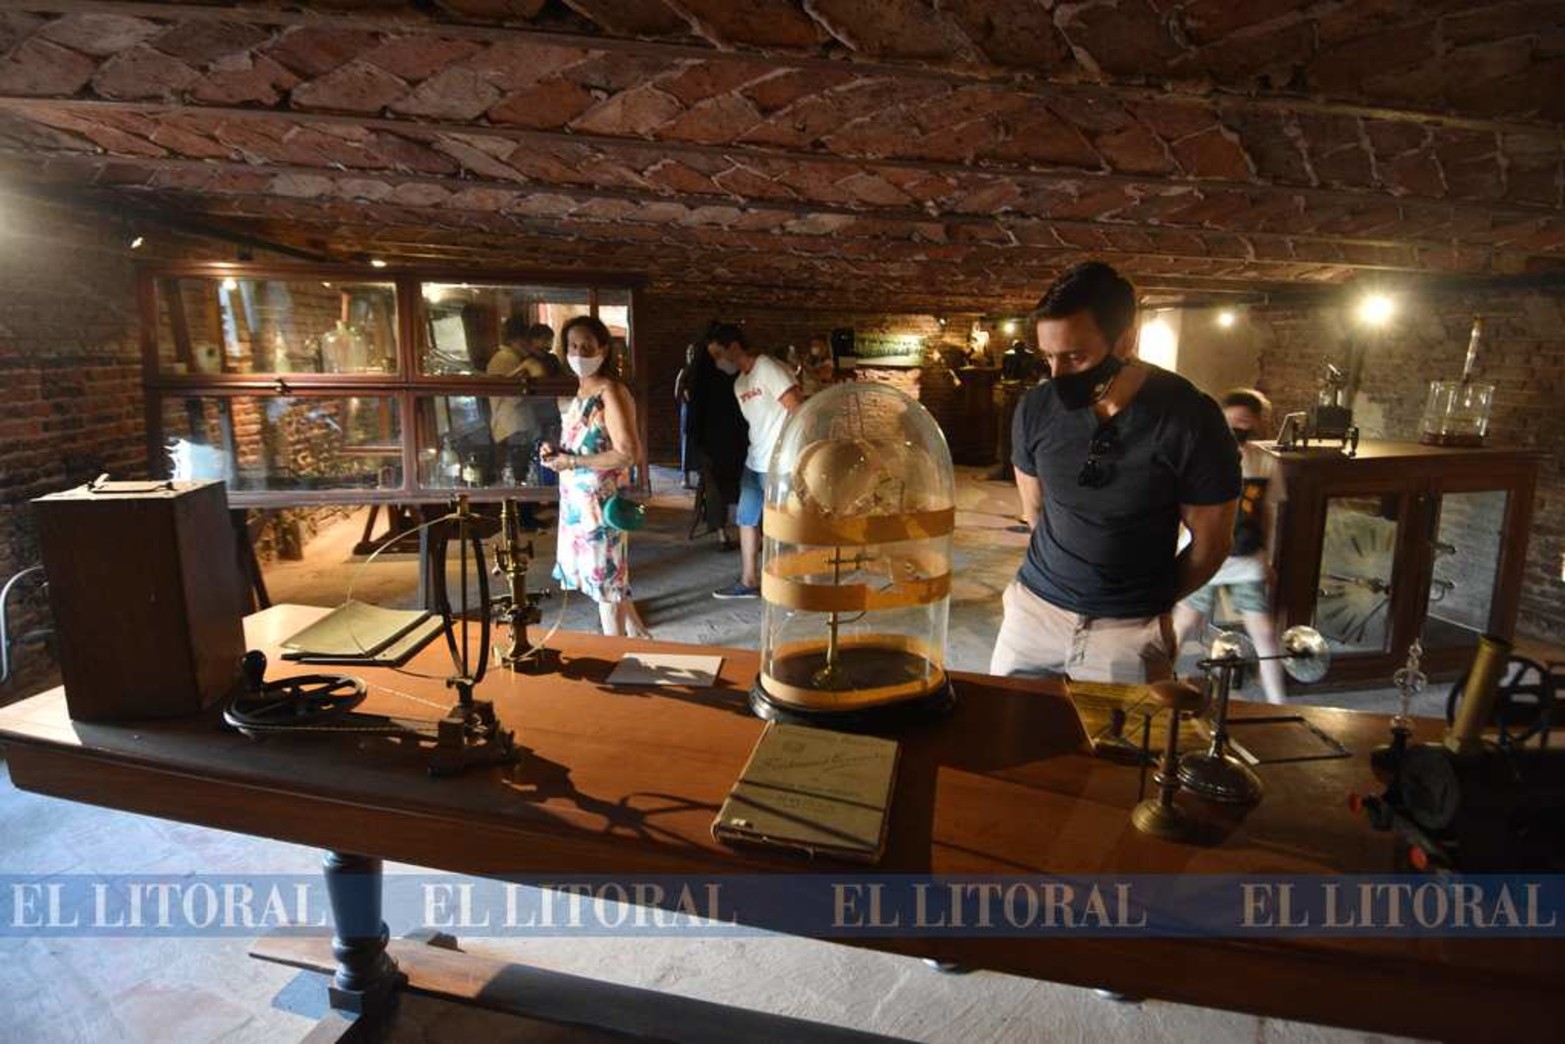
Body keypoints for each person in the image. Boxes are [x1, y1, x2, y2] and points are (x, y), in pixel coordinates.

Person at [990, 261, 1240, 683]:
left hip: (1129, 630)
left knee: (1119, 748)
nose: (1057, 374)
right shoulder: (1036, 408)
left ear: (1126, 340)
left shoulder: (1189, 419)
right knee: (1009, 736)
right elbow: (1035, 510)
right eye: (1049, 356)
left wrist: (1145, 600)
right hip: (1034, 613)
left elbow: (1211, 544)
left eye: (1075, 357)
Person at [540, 315, 652, 638]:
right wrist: (557, 451)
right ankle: (640, 639)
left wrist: (572, 463)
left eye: (586, 346)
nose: (578, 353)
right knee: (611, 583)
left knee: (606, 585)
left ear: (603, 349)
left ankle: (615, 653)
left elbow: (629, 453)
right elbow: (587, 440)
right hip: (579, 505)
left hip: (600, 507)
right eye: (573, 346)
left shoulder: (610, 392)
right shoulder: (582, 391)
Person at [1174, 388, 1286, 703]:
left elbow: (1268, 513)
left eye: (1245, 423)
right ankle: (1155, 687)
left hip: (1246, 556)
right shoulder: (1199, 456)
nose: (1239, 429)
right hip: (1205, 551)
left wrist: (1268, 560)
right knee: (1183, 624)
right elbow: (1182, 508)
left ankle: (1278, 702)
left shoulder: (1265, 463)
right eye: (1233, 422)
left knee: (1263, 632)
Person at [707, 322, 801, 599]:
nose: (717, 362)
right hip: (755, 458)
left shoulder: (768, 368)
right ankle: (749, 580)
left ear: (734, 347)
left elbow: (798, 408)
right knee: (746, 518)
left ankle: (794, 583)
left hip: (781, 460)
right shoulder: (740, 383)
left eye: (718, 355)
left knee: (785, 524)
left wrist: (793, 452)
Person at [688, 328, 746, 551]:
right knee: (716, 488)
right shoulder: (702, 373)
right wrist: (697, 445)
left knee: (742, 484)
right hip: (711, 440)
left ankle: (747, 530)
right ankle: (721, 532)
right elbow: (695, 412)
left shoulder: (739, 372)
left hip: (738, 437)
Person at [673, 344, 699, 489]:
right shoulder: (685, 371)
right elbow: (677, 392)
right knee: (687, 441)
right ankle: (686, 475)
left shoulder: (702, 372)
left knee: (700, 441)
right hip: (689, 409)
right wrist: (684, 395)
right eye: (689, 353)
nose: (691, 356)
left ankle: (701, 473)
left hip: (700, 410)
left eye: (694, 353)